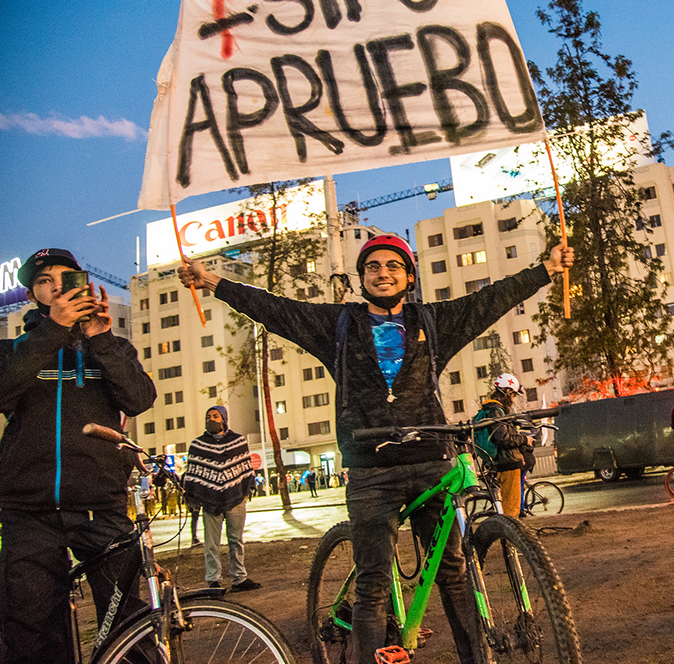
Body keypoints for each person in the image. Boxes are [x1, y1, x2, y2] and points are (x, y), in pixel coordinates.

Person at [179, 232, 573, 664]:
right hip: (370, 470)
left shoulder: (431, 321)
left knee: (455, 572)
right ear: (361, 278)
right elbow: (275, 309)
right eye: (372, 267)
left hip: (431, 461)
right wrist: (211, 281)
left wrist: (546, 270)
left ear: (409, 276)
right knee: (373, 584)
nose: (382, 273)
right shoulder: (338, 325)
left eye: (392, 266)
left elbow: (489, 300)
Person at [0, 248, 157, 663]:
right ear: (35, 296)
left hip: (101, 504)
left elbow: (139, 398)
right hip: (29, 510)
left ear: (83, 284)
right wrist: (52, 332)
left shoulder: (110, 346)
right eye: (43, 282)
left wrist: (101, 339)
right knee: (31, 631)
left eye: (65, 278)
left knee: (130, 625)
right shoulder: (12, 349)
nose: (55, 287)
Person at [182, 405, 261, 592]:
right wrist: (194, 495)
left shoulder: (238, 442)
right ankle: (213, 580)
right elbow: (193, 473)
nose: (211, 419)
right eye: (208, 416)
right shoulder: (198, 445)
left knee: (236, 540)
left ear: (224, 419)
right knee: (211, 544)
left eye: (215, 416)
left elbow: (245, 469)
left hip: (236, 499)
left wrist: (244, 490)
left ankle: (239, 578)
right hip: (210, 501)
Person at [472, 373, 532, 516]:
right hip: (508, 463)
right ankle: (509, 537)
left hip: (498, 463)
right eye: (513, 395)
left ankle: (505, 536)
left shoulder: (487, 409)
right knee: (511, 510)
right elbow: (503, 438)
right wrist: (524, 439)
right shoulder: (496, 410)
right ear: (507, 392)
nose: (513, 400)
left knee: (505, 508)